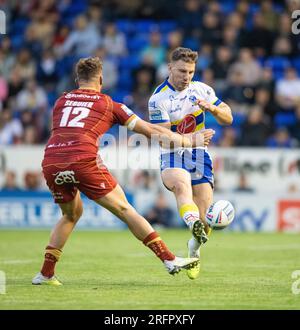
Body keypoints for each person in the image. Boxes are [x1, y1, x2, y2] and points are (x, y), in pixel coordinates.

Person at [32, 56, 215, 285]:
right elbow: (149, 129)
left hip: (51, 160)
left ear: (77, 79)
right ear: (101, 79)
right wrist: (188, 141)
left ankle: (45, 274)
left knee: (71, 214)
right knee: (125, 209)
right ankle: (169, 259)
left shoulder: (61, 101)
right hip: (82, 160)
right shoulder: (108, 104)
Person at [148, 47, 232, 280]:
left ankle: (193, 249)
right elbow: (163, 139)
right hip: (173, 154)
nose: (187, 76)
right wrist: (192, 138)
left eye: (191, 72)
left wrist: (212, 108)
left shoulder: (202, 89)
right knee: (181, 186)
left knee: (207, 222)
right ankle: (191, 221)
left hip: (199, 155)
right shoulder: (158, 99)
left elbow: (228, 117)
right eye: (182, 71)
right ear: (170, 68)